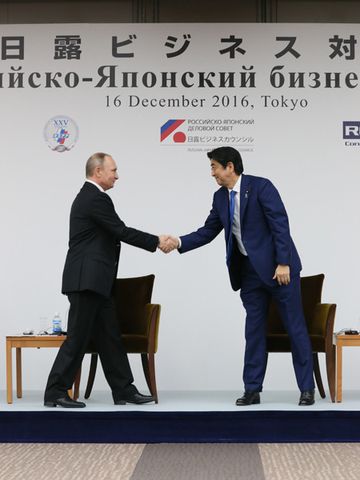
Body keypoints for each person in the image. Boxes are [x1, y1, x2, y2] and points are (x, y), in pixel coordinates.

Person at [164, 146, 315, 406]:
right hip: (249, 274)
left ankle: (306, 389)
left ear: (230, 167)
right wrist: (178, 241)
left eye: (214, 167)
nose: (212, 173)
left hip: (280, 271)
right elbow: (208, 231)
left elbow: (280, 224)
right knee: (254, 331)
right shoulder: (219, 197)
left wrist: (283, 262)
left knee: (295, 327)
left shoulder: (261, 187)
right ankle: (252, 389)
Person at [44, 152, 169, 408]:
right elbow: (120, 231)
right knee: (78, 338)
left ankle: (123, 390)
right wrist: (156, 241)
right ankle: (55, 392)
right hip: (87, 281)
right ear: (98, 171)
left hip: (97, 282)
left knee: (110, 337)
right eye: (113, 170)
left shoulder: (90, 197)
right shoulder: (95, 198)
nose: (117, 175)